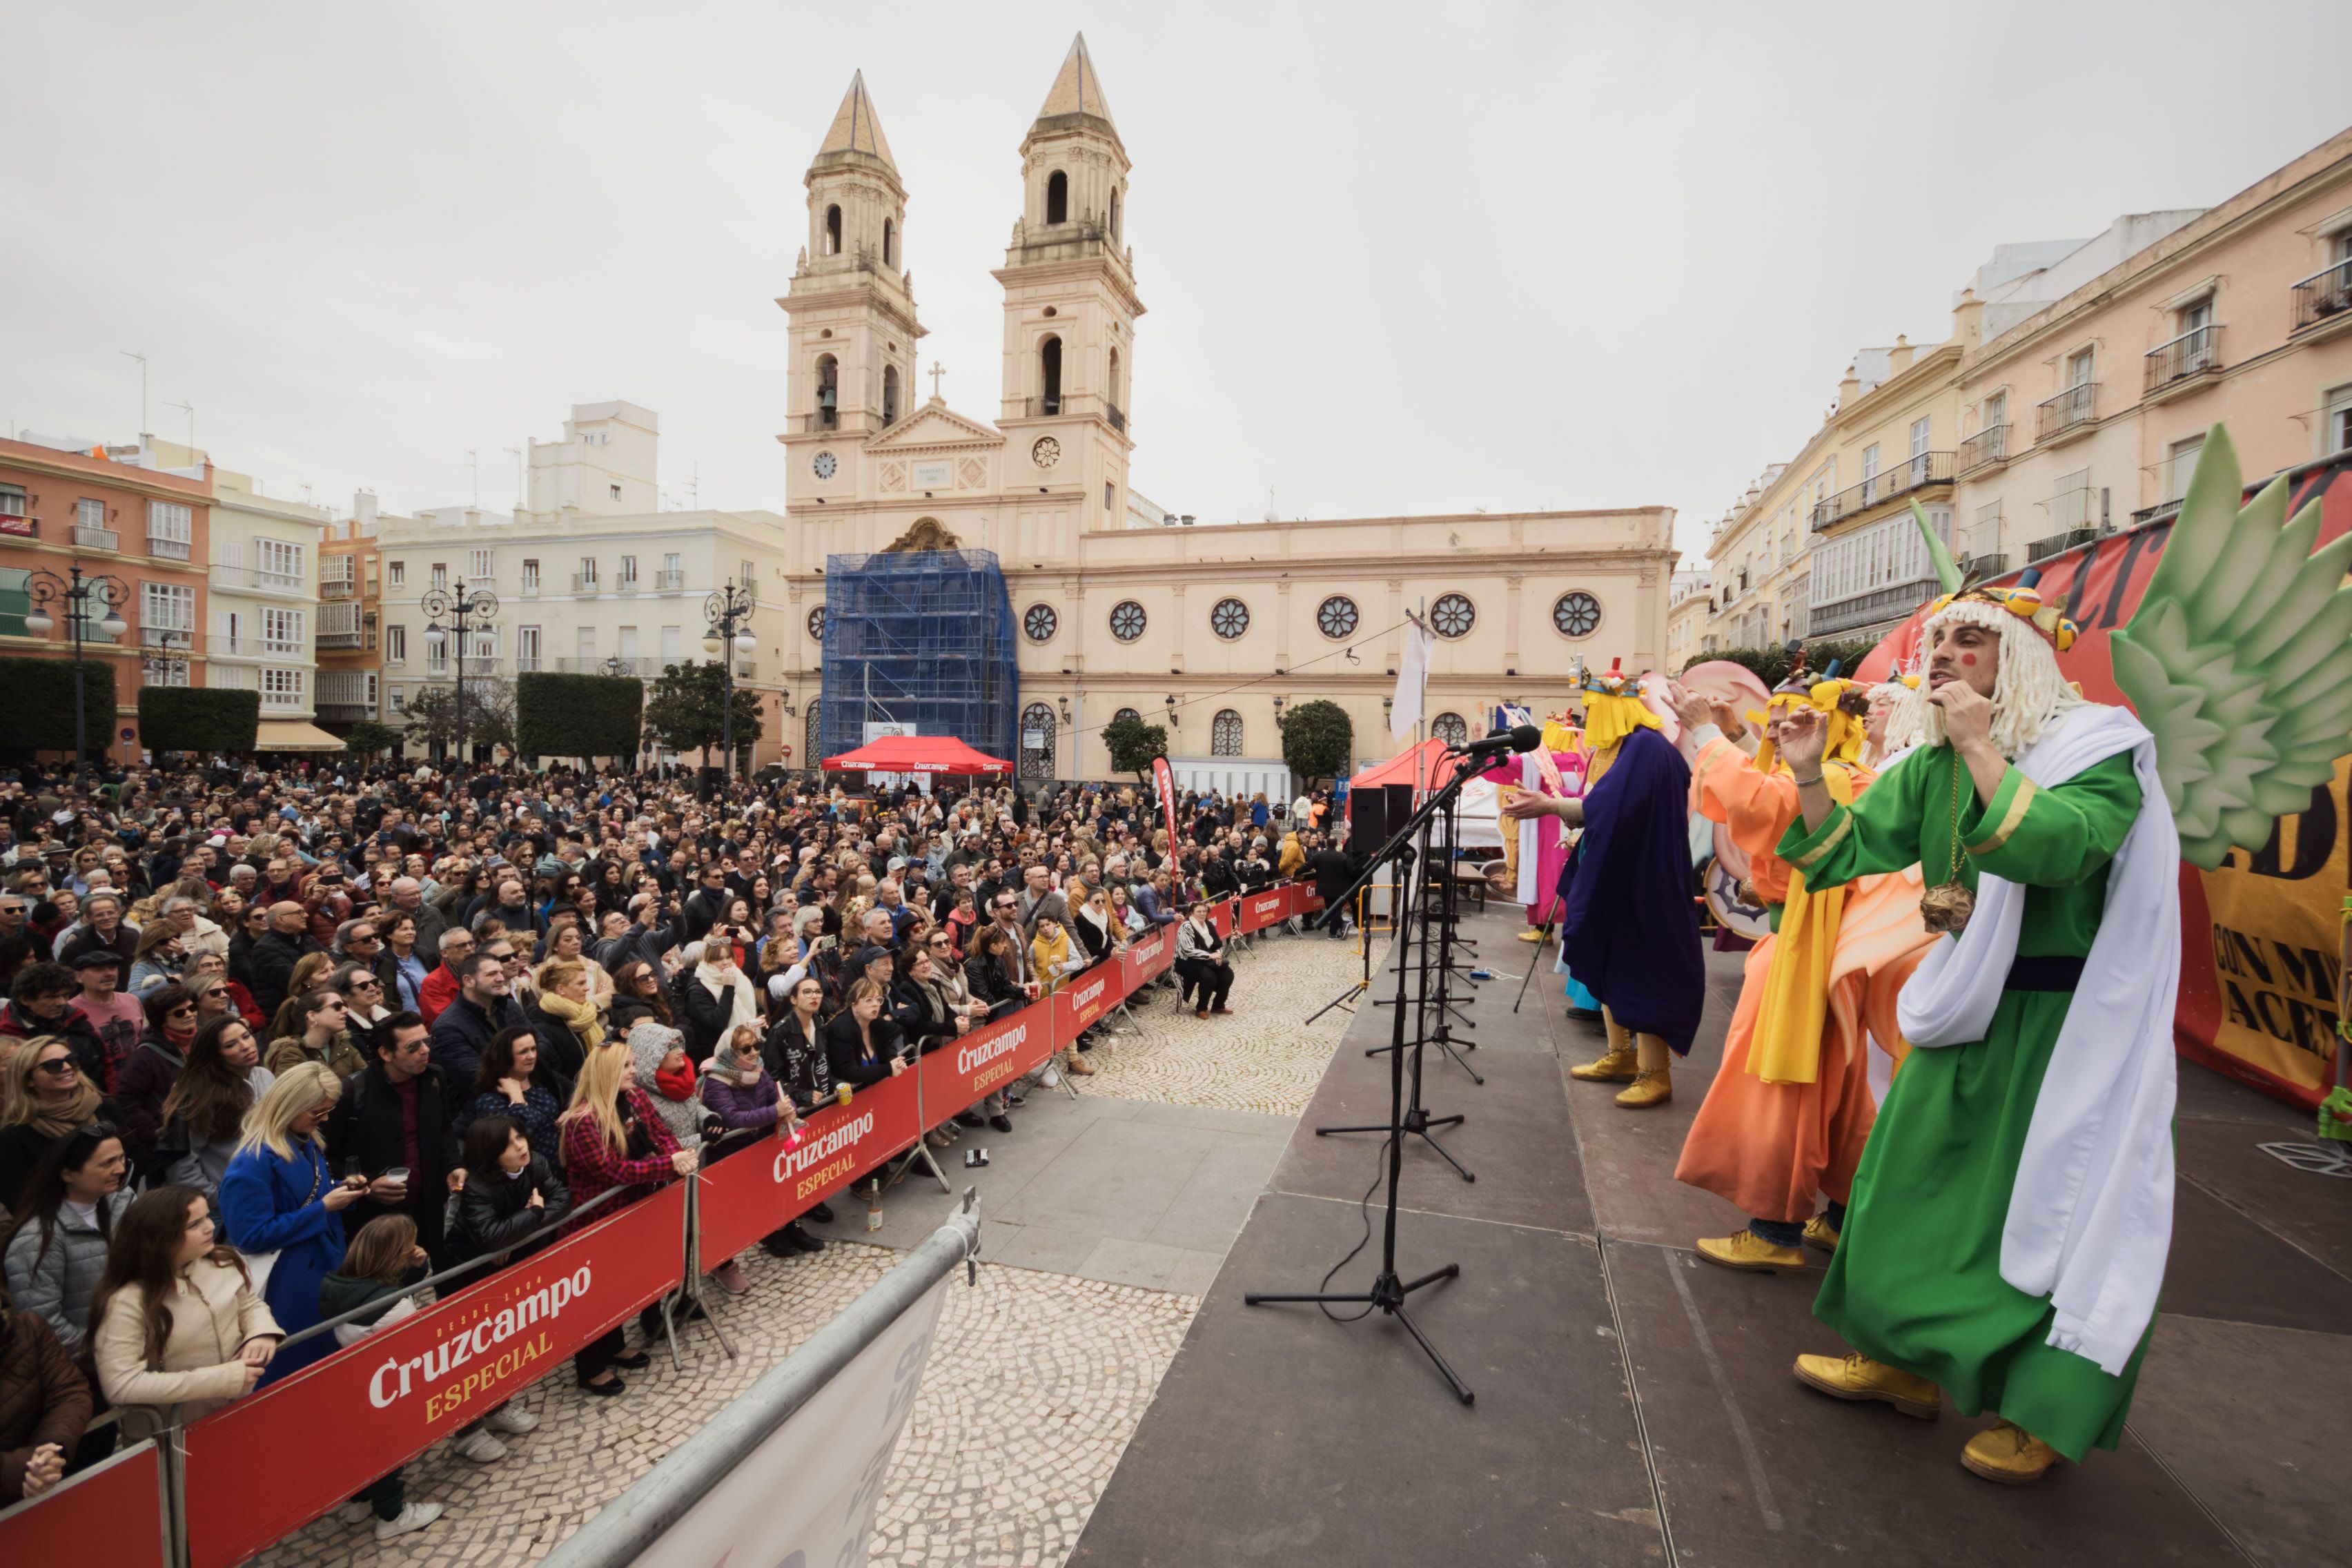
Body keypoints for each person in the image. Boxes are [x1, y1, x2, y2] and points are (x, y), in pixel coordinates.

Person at [1773, 574, 2168, 1484]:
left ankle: (2042, 1412)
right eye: (1938, 645)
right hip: (1966, 1004)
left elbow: (2061, 846)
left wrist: (1984, 748)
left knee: (2059, 1210)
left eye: (1970, 644)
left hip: (2071, 1026)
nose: (1943, 657)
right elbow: (1841, 852)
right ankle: (1900, 1361)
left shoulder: (2098, 749)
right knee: (1902, 1180)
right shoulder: (1933, 764)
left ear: (2019, 660)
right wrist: (1805, 769)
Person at [1665, 674, 1933, 1277]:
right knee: (1843, 1089)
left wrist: (1706, 731)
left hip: (1800, 949)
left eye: (1796, 720)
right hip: (1829, 947)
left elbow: (1760, 803)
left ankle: (1774, 1229)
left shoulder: (1831, 779)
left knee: (1781, 1091)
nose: (1782, 730)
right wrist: (1734, 733)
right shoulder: (1858, 774)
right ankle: (1840, 1218)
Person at [1504, 669, 1705, 1108]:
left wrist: (1550, 806)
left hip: (1644, 882)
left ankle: (1656, 1073)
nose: (1588, 716)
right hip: (1623, 875)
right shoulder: (1625, 748)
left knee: (1641, 967)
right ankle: (1620, 1056)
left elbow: (1613, 807)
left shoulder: (1647, 749)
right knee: (1611, 956)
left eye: (1594, 707)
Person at [557, 1043, 696, 1396]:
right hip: (595, 1221)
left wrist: (676, 1155)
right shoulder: (582, 1121)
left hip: (631, 1209)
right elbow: (612, 1170)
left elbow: (661, 1134)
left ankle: (615, 1346)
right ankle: (591, 1367)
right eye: (626, 1066)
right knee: (596, 1295)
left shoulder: (634, 1099)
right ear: (605, 1073)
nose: (634, 1071)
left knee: (621, 1284)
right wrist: (669, 1164)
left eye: (633, 1063)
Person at [217, 1062, 366, 1384]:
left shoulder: (304, 1140)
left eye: (328, 1111)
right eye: (317, 1113)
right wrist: (324, 1208)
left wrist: (342, 1189)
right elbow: (249, 1236)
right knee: (297, 1375)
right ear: (291, 1106)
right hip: (288, 1285)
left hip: (324, 1267)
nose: (324, 1120)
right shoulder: (252, 1162)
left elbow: (309, 1194)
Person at [89, 1186, 283, 1428]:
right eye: (194, 1225)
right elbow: (122, 1385)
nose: (211, 1226)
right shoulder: (126, 1302)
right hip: (170, 1437)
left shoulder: (222, 1261)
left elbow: (248, 1305)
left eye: (208, 1216)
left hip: (235, 1414)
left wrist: (262, 1333)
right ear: (160, 1238)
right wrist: (226, 1378)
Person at [315, 1214, 449, 1540]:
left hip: (353, 1380)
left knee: (359, 1446)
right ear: (395, 1257)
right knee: (386, 1448)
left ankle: (359, 1501)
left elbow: (377, 1295)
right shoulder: (394, 1306)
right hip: (387, 1384)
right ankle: (393, 1515)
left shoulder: (335, 1285)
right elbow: (415, 1341)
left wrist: (415, 1270)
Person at [324, 1013, 460, 1264]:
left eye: (426, 1041)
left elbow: (443, 1129)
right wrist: (368, 1187)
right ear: (386, 1054)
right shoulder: (351, 1093)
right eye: (413, 1046)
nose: (424, 1050)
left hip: (427, 1208)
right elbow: (326, 1158)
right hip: (374, 1222)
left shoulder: (434, 1078)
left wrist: (454, 1165)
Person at [3, 1125, 133, 1363]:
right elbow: (43, 1324)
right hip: (89, 1368)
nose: (121, 1169)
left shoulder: (126, 1203)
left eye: (123, 1159)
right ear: (68, 1174)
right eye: (108, 1163)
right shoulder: (36, 1239)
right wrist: (109, 1351)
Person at [155, 1017, 276, 1204]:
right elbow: (181, 1165)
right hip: (228, 1206)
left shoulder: (265, 1076)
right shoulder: (199, 1098)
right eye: (230, 1045)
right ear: (215, 1055)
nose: (245, 1046)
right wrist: (219, 1199)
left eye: (246, 1036)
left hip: (270, 1191)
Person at [0, 1038, 123, 1213]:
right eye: (53, 1065)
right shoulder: (13, 1137)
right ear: (28, 1079)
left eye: (71, 1059)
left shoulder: (105, 1108)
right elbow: (20, 1200)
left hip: (120, 1210)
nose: (66, 1067)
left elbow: (133, 1156)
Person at [445, 1114, 569, 1268]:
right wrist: (534, 1212)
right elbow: (491, 1238)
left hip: (521, 1256)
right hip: (473, 1266)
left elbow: (563, 1200)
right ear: (491, 1154)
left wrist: (514, 1237)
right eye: (507, 1145)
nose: (520, 1146)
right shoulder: (476, 1187)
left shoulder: (536, 1162)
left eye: (520, 1137)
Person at [0, 1290, 90, 1504]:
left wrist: (48, 1453)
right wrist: (22, 1468)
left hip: (41, 1497)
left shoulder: (29, 1328)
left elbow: (70, 1393)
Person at [115, 984, 198, 1175]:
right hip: (174, 1145)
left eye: (192, 1008)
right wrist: (158, 1133)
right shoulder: (145, 1055)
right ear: (162, 1020)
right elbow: (127, 1101)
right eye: (179, 1013)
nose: (189, 1015)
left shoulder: (202, 1041)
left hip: (205, 1132)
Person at [430, 952, 531, 1099]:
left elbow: (541, 1044)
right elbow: (477, 1077)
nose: (501, 978)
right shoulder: (447, 1027)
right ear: (468, 981)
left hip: (528, 1089)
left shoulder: (510, 1007)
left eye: (501, 972)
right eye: (491, 974)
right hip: (484, 1107)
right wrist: (525, 1068)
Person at [465, 1028, 564, 1165]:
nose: (532, 1056)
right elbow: (523, 1133)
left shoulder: (542, 1077)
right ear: (505, 1057)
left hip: (560, 1167)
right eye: (523, 1052)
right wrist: (517, 1098)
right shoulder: (490, 1100)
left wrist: (569, 1112)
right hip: (526, 1174)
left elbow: (573, 1092)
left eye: (533, 1049)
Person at [67, 950, 144, 1092]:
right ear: (79, 977)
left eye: (112, 968)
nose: (109, 974)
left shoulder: (132, 1000)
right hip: (99, 1089)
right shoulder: (70, 1012)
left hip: (138, 1083)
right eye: (98, 969)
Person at [523, 959, 598, 1093]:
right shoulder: (542, 1027)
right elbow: (552, 1075)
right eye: (581, 983)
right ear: (561, 989)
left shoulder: (585, 1014)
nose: (587, 988)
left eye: (586, 982)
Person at [823, 979, 909, 1092]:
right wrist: (888, 1069)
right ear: (854, 1005)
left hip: (875, 1090)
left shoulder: (876, 1021)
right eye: (868, 1000)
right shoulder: (840, 1029)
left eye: (878, 1000)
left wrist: (894, 1061)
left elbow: (888, 1044)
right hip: (849, 1096)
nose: (875, 1004)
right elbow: (850, 1073)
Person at [263, 988, 366, 1081]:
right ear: (312, 1016)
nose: (346, 1011)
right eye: (337, 1006)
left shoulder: (343, 1044)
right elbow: (302, 1095)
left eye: (345, 1006)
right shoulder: (290, 1053)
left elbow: (367, 1078)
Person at [683, 939, 756, 1066]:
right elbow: (717, 1022)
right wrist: (728, 988)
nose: (726, 963)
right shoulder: (697, 990)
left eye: (729, 957)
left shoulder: (738, 976)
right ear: (708, 961)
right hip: (715, 1054)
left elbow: (748, 1006)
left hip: (746, 1047)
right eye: (719, 959)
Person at [247, 901, 324, 1020]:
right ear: (280, 919)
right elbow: (295, 980)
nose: (306, 915)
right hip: (285, 1016)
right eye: (299, 913)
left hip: (311, 1006)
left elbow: (332, 962)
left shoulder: (308, 940)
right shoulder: (264, 949)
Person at [1174, 900, 1234, 1019]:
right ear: (1191, 913)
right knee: (1209, 977)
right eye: (1199, 911)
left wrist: (1218, 954)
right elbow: (1188, 950)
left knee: (1228, 974)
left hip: (1207, 960)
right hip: (1187, 961)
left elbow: (1218, 945)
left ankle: (1218, 1005)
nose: (1202, 914)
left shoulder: (1209, 925)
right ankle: (1201, 1008)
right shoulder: (1186, 927)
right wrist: (1210, 956)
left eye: (1204, 911)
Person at [415, 928, 477, 1027]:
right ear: (444, 953)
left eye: (471, 943)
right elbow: (446, 1022)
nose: (469, 948)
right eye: (461, 946)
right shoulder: (433, 983)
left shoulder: (485, 970)